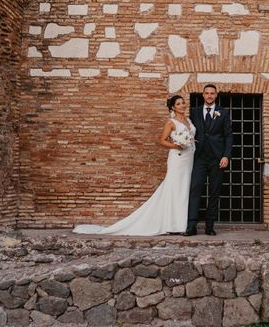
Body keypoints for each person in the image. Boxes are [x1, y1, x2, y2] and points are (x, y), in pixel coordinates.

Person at [73, 95, 195, 236]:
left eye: (183, 103)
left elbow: (190, 136)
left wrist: (190, 140)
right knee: (174, 189)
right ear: (173, 107)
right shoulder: (171, 122)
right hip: (178, 159)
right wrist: (177, 145)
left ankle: (181, 223)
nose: (182, 105)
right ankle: (173, 225)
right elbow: (161, 140)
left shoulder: (188, 120)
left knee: (184, 189)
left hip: (189, 159)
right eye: (178, 104)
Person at [185, 84, 233, 236]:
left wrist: (226, 156)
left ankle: (210, 226)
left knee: (214, 192)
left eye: (212, 93)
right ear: (203, 95)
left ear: (216, 95)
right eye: (207, 93)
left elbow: (228, 136)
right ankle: (191, 225)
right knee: (195, 190)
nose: (209, 96)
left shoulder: (223, 112)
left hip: (217, 158)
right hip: (199, 158)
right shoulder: (194, 112)